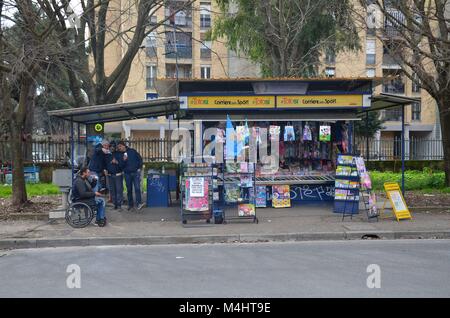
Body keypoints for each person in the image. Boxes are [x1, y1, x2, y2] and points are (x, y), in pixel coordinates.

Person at [117, 141, 144, 210]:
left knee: (137, 188)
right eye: (118, 147)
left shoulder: (132, 151)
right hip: (127, 174)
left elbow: (140, 159)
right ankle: (130, 205)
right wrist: (124, 160)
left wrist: (139, 168)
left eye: (120, 146)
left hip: (135, 172)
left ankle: (139, 203)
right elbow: (120, 165)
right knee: (129, 189)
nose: (119, 148)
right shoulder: (120, 154)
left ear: (123, 145)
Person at [104, 141, 125, 210]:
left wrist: (117, 162)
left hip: (118, 175)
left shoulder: (119, 154)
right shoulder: (107, 155)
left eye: (113, 146)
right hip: (110, 175)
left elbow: (123, 165)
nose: (112, 148)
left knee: (119, 190)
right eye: (110, 146)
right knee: (112, 191)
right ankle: (114, 205)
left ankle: (119, 205)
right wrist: (105, 169)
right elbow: (105, 164)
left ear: (115, 147)